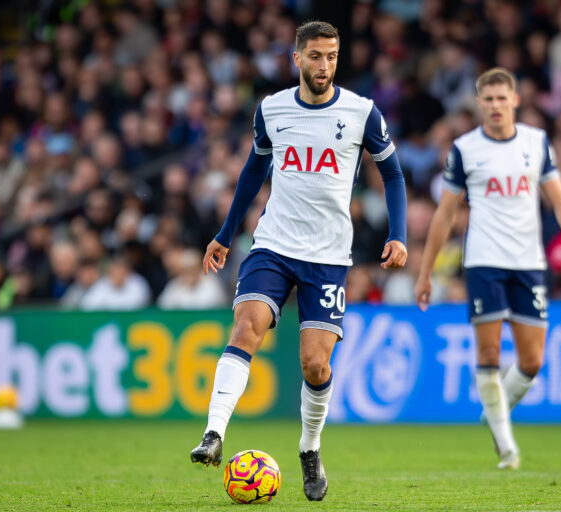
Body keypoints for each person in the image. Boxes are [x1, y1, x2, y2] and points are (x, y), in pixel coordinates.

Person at [189, 21, 407, 501]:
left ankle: (310, 448)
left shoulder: (361, 112)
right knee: (246, 327)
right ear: (297, 59)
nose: (324, 65)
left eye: (331, 56)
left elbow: (392, 174)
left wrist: (398, 235)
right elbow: (253, 171)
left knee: (315, 366)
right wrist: (225, 234)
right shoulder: (272, 109)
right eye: (315, 56)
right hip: (273, 244)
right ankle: (214, 433)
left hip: (328, 257)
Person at [415, 68, 561, 470]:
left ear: (515, 100)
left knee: (532, 361)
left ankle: (495, 412)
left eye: (501, 98)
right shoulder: (465, 149)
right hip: (483, 261)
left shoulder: (535, 142)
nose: (495, 106)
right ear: (479, 104)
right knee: (489, 352)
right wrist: (425, 273)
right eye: (488, 99)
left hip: (528, 262)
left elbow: (559, 198)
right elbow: (444, 216)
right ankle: (506, 446)